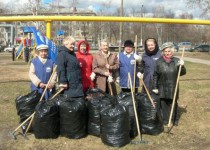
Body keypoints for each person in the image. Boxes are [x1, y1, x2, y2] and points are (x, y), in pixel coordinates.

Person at [153, 42, 186, 126]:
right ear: (163, 52)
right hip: (162, 86)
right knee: (163, 104)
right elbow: (155, 75)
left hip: (173, 86)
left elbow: (182, 73)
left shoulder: (176, 61)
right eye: (166, 51)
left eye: (169, 51)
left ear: (172, 51)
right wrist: (155, 87)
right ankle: (165, 120)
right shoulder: (159, 62)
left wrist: (182, 66)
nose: (168, 53)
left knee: (173, 104)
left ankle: (174, 119)